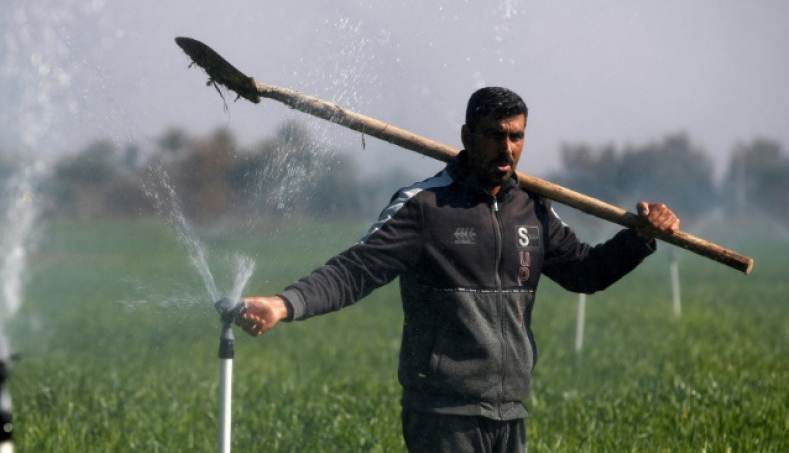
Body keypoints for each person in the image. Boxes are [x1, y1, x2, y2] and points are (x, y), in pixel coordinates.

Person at [235, 87, 680, 452]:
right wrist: (284, 303)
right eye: (495, 135)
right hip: (442, 417)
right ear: (466, 135)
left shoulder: (533, 210)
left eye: (517, 137)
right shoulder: (425, 206)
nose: (507, 149)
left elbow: (587, 273)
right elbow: (356, 270)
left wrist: (640, 236)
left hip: (510, 411)